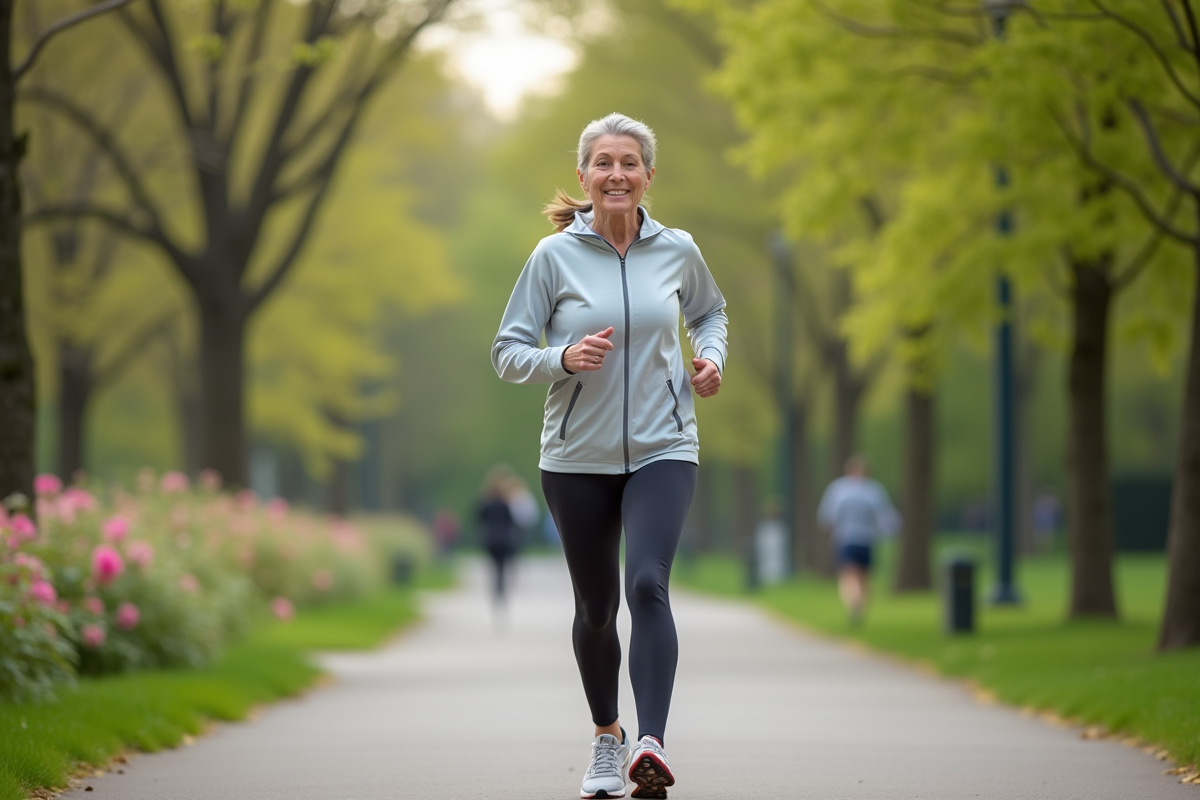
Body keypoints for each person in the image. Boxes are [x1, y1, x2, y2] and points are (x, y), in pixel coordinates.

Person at [491, 112, 727, 800]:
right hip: (575, 459)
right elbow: (506, 352)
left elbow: (710, 312)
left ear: (649, 175)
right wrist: (561, 357)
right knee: (596, 608)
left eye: (630, 163)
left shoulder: (678, 249)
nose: (617, 174)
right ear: (584, 176)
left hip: (665, 448)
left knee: (646, 584)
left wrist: (709, 358)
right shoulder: (551, 257)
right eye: (604, 163)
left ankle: (650, 743)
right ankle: (606, 737)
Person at [817, 455, 900, 626]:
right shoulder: (874, 490)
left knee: (848, 574)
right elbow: (887, 518)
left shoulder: (838, 489)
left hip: (845, 538)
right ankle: (860, 606)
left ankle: (853, 602)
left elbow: (827, 516)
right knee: (863, 576)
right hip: (867, 539)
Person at [477, 466, 521, 610]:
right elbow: (512, 521)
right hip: (504, 540)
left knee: (494, 565)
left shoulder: (487, 504)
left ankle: (495, 590)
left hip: (490, 539)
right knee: (502, 567)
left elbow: (479, 518)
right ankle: (501, 591)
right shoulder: (505, 504)